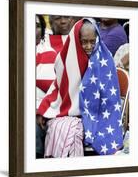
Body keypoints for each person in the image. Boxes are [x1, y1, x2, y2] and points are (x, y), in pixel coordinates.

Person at [37, 18, 123, 157]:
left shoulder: (105, 60)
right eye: (84, 41)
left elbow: (109, 97)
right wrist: (44, 107)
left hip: (99, 115)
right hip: (70, 113)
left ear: (98, 39)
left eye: (92, 41)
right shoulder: (64, 59)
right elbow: (58, 86)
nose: (89, 46)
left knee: (71, 129)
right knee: (61, 128)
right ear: (77, 39)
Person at [36, 15, 75, 158]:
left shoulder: (82, 43)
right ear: (51, 22)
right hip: (44, 106)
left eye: (67, 17)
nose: (63, 21)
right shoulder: (42, 48)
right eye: (58, 18)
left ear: (73, 19)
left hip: (69, 106)